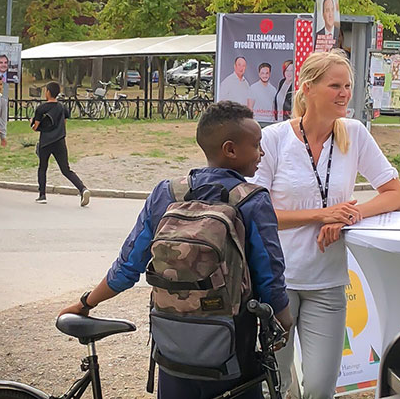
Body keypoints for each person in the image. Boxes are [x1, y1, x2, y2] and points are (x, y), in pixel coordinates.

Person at [58, 101, 293, 399]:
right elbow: (270, 277)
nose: (262, 153)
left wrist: (86, 303)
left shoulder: (166, 194)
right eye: (257, 145)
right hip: (231, 351)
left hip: (172, 349)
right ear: (230, 149)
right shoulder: (253, 201)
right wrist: (284, 322)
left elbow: (127, 267)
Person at [251, 50, 400, 398]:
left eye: (348, 86)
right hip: (276, 282)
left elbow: (397, 195)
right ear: (307, 88)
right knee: (276, 386)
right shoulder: (274, 138)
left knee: (321, 389)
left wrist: (349, 215)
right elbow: (258, 215)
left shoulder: (354, 134)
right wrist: (322, 215)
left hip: (328, 282)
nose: (344, 94)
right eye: (335, 85)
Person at [31, 82, 89, 206]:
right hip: (60, 141)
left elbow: (35, 127)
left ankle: (42, 195)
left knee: (43, 167)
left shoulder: (41, 108)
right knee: (65, 169)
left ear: (48, 92)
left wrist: (32, 122)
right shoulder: (63, 107)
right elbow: (64, 122)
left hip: (45, 142)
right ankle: (82, 189)